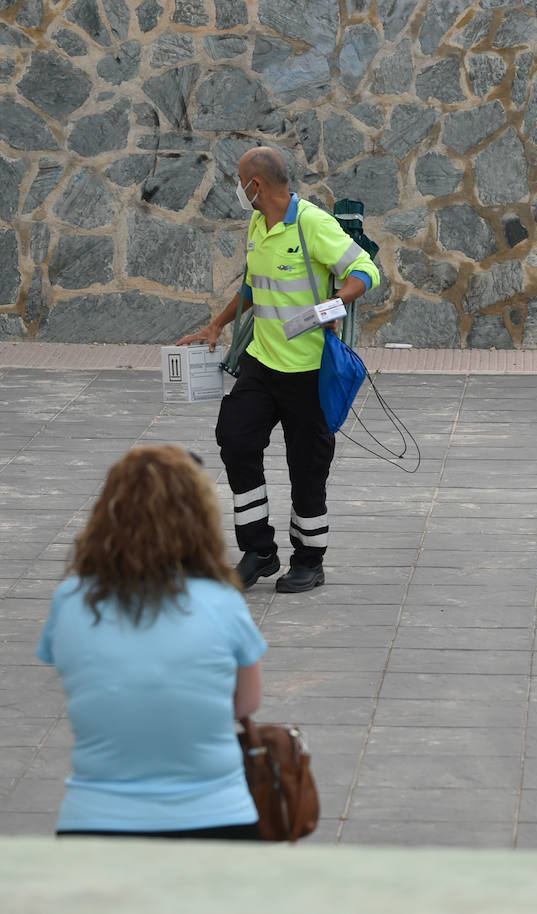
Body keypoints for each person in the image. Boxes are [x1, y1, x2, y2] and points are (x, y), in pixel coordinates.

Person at [36, 446, 268, 839]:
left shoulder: (71, 599)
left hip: (96, 817)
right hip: (216, 814)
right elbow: (246, 704)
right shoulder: (223, 601)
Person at [178, 147, 380, 593]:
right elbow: (254, 283)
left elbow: (366, 271)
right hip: (261, 363)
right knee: (235, 438)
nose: (238, 188)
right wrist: (217, 323)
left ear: (257, 185)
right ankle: (260, 552)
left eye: (239, 180)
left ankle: (309, 560)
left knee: (307, 466)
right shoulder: (257, 223)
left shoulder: (312, 224)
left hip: (307, 372)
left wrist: (335, 302)